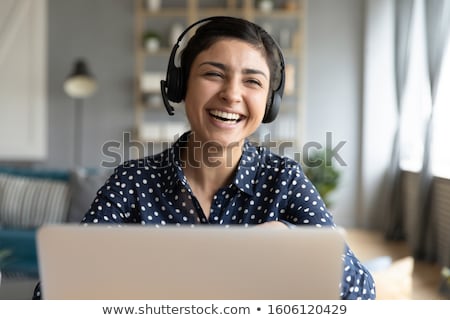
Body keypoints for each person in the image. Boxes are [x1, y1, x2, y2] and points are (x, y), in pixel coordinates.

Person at [33, 16, 375, 300]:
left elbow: (362, 294)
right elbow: (50, 296)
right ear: (181, 86)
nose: (231, 94)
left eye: (252, 81)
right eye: (213, 74)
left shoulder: (284, 180)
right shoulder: (132, 182)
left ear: (269, 104)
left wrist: (291, 240)